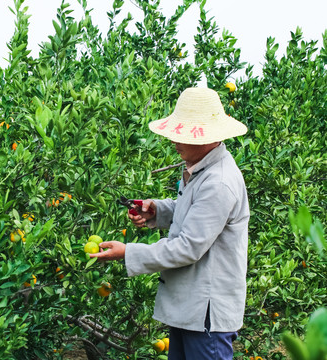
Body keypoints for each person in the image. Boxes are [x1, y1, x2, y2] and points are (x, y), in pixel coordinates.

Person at [90, 87, 250, 360]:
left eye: (182, 134)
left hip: (206, 315)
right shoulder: (202, 170)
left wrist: (128, 252)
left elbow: (188, 247)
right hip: (191, 308)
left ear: (207, 136)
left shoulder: (219, 182)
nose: (174, 141)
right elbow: (193, 212)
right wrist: (158, 211)